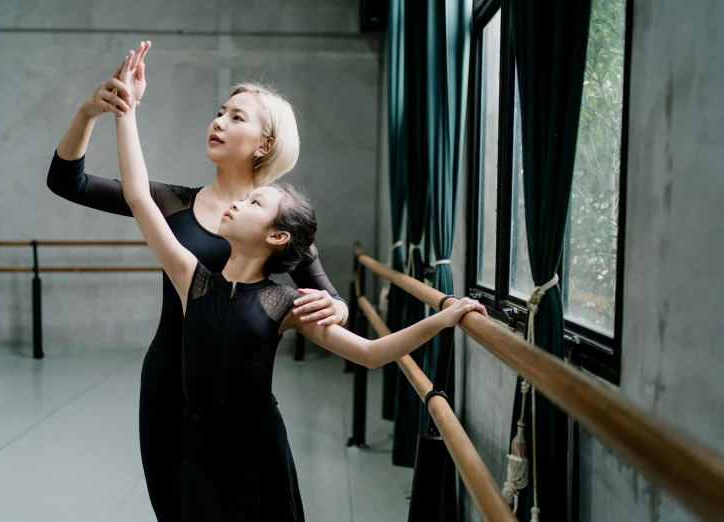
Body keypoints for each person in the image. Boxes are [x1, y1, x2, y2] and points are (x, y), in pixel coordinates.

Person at [113, 46, 486, 521]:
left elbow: (371, 353)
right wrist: (127, 109)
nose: (238, 203)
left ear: (276, 235)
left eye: (254, 205)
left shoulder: (283, 303)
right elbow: (137, 194)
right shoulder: (192, 278)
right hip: (195, 447)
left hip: (257, 453)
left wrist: (445, 317)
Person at [46, 41, 349, 520]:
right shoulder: (171, 202)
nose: (219, 122)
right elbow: (68, 182)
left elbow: (328, 295)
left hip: (237, 399)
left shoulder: (273, 222)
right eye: (220, 112)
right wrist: (89, 113)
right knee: (175, 506)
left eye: (236, 118)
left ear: (265, 144)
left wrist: (340, 309)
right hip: (168, 379)